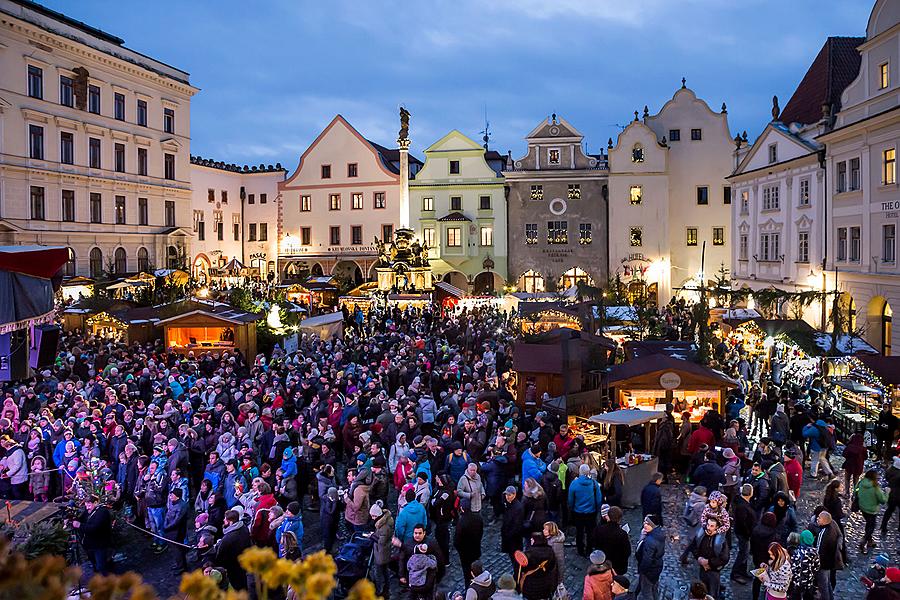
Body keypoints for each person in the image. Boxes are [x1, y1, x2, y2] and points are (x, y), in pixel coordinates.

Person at [682, 516, 730, 600]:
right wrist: (699, 558)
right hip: (702, 569)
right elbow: (694, 547)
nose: (709, 528)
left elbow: (724, 558)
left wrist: (709, 562)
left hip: (714, 570)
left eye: (712, 526)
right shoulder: (702, 535)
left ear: (717, 527)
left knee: (712, 593)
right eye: (708, 525)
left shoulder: (721, 540)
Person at [569, 464, 603, 557]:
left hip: (578, 512)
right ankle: (589, 549)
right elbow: (599, 498)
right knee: (590, 532)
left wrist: (572, 508)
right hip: (591, 512)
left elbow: (571, 499)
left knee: (579, 531)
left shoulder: (574, 484)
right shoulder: (594, 483)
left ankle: (580, 549)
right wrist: (597, 509)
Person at [73, 495, 112, 575]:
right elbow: (81, 519)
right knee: (95, 565)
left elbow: (94, 528)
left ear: (96, 503)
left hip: (99, 545)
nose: (87, 508)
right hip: (90, 545)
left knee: (101, 566)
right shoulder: (88, 511)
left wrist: (80, 525)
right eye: (86, 505)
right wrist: (73, 519)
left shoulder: (102, 512)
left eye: (89, 505)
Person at [214, 509, 252, 590]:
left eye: (225, 519)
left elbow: (220, 557)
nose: (223, 520)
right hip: (244, 563)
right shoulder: (244, 528)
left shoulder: (228, 539)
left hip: (233, 568)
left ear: (230, 522)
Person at [514, 532, 558, 600]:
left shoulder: (528, 554)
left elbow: (520, 571)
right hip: (546, 583)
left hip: (531, 586)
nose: (531, 540)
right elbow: (552, 566)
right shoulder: (550, 551)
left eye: (532, 539)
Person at [592, 505, 631, 577]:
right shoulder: (622, 534)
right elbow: (627, 551)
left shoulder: (598, 529)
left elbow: (595, 544)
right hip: (618, 566)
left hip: (603, 562)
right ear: (619, 519)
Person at [815, 510, 844, 600]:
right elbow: (840, 536)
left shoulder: (823, 533)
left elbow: (818, 550)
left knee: (823, 588)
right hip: (830, 562)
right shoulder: (833, 525)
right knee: (827, 584)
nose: (817, 519)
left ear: (824, 521)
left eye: (819, 517)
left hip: (822, 564)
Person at [731, 483, 757, 584]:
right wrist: (748, 533)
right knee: (743, 554)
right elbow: (742, 523)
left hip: (744, 533)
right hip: (744, 534)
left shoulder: (743, 502)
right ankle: (735, 573)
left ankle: (742, 571)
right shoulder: (742, 506)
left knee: (745, 553)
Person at [456, 497, 485, 586]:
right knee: (476, 570)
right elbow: (481, 532)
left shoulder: (461, 522)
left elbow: (457, 540)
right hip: (476, 549)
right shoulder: (478, 518)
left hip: (465, 553)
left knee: (467, 573)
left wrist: (459, 549)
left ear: (461, 508)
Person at [634, 514, 665, 600]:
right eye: (644, 522)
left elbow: (647, 559)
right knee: (653, 588)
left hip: (649, 571)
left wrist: (642, 570)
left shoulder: (649, 541)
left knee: (647, 592)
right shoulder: (658, 534)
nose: (644, 525)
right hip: (656, 567)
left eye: (647, 523)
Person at [858, 469, 888, 554]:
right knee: (871, 526)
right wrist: (887, 493)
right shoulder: (875, 487)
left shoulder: (861, 482)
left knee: (869, 524)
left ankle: (870, 540)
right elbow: (883, 500)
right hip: (872, 510)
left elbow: (856, 491)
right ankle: (864, 541)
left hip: (863, 507)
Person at [750, 512, 778, 600]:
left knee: (757, 580)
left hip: (758, 559)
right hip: (769, 560)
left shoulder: (756, 530)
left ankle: (755, 597)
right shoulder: (773, 534)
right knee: (770, 580)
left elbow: (752, 545)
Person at [370, 502, 394, 599]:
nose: (371, 518)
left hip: (381, 553)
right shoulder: (385, 521)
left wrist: (372, 536)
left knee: (379, 572)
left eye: (372, 516)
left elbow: (381, 541)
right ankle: (386, 587)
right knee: (385, 570)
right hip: (385, 551)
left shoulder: (383, 527)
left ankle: (379, 590)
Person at [163, 487, 189, 573]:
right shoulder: (173, 503)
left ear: (177, 496)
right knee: (175, 550)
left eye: (172, 495)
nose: (170, 496)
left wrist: (167, 527)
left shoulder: (182, 505)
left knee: (178, 550)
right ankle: (179, 564)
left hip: (177, 532)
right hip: (171, 530)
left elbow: (177, 520)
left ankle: (181, 567)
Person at [789, 530, 820, 600]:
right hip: (809, 582)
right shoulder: (815, 552)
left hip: (797, 583)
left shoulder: (797, 553)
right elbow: (817, 567)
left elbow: (793, 568)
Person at [501, 486, 525, 571]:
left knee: (515, 559)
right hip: (509, 537)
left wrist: (508, 535)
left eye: (509, 495)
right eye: (506, 495)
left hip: (514, 539)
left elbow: (517, 526)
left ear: (514, 495)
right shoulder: (508, 504)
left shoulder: (518, 507)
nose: (507, 497)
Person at [882, 456, 900, 534]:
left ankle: (883, 526)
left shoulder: (890, 472)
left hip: (891, 494)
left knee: (889, 510)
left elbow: (886, 478)